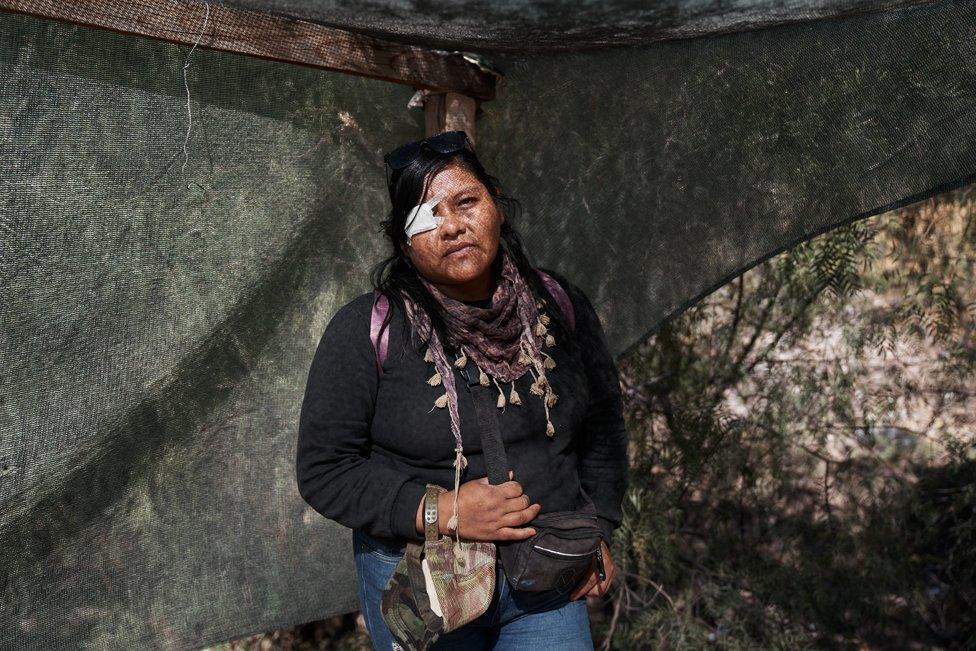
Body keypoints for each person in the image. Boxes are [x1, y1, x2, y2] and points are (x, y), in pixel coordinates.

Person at [296, 130, 629, 650]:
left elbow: (603, 425)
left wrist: (600, 526)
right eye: (426, 217)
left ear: (495, 204)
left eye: (465, 202)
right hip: (424, 582)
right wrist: (443, 511)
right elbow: (325, 469)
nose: (451, 226)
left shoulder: (560, 307)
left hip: (547, 573)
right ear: (404, 242)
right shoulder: (368, 330)